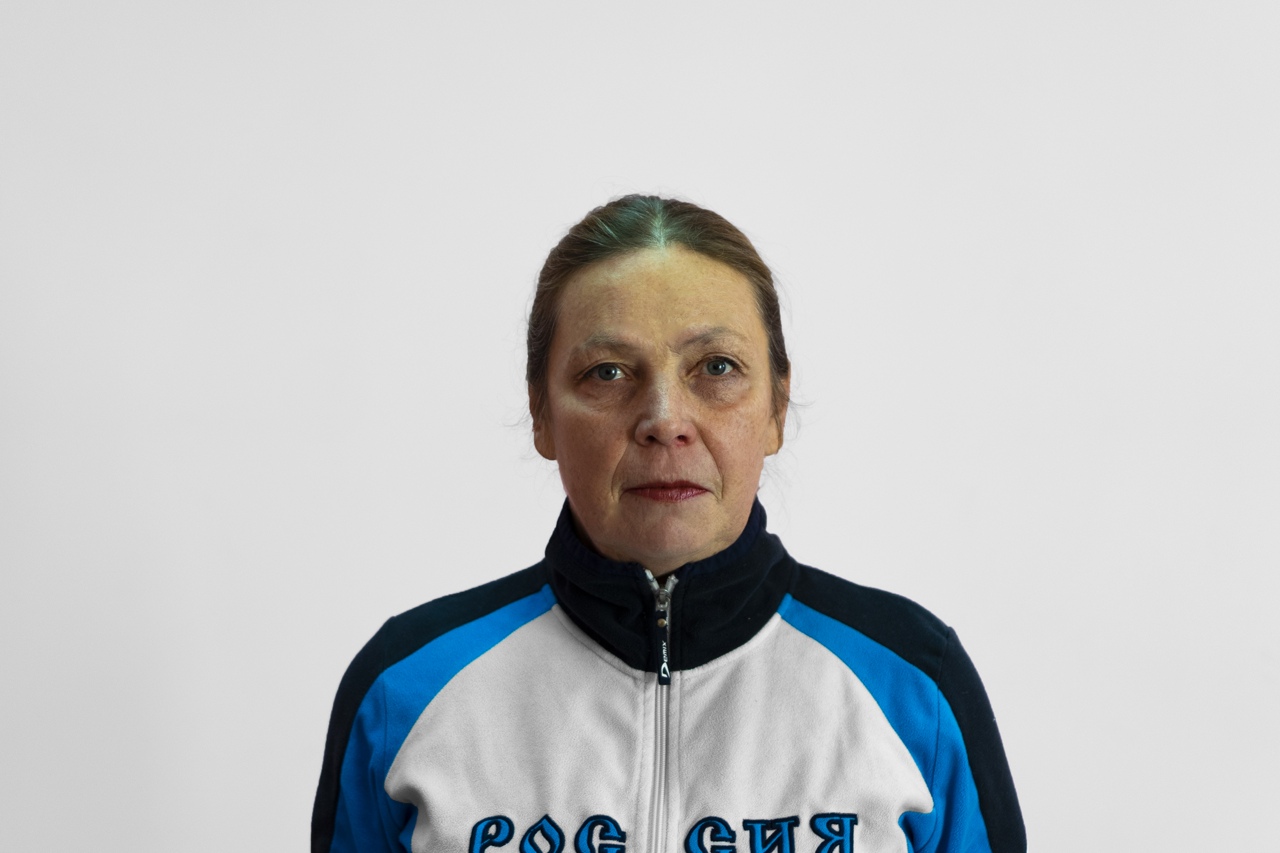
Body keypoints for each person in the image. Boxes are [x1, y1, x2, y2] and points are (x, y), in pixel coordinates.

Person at [311, 195, 1026, 853]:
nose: (664, 420)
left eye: (716, 367)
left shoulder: (913, 687)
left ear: (777, 408)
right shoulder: (406, 690)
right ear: (541, 413)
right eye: (608, 372)